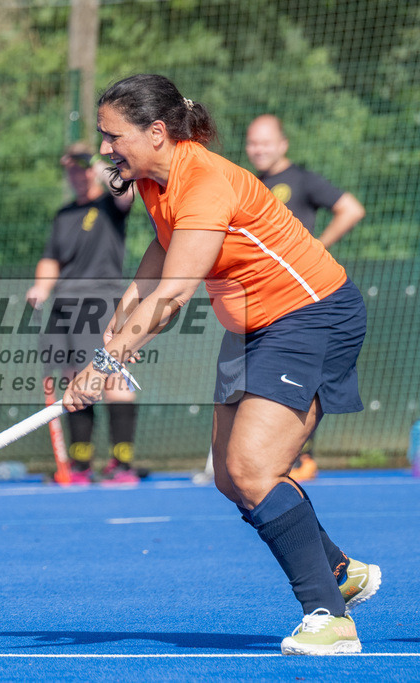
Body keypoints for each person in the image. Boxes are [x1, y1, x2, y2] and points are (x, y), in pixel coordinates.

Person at [63, 74, 380, 655]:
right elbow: (159, 257)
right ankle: (339, 572)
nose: (106, 148)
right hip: (253, 327)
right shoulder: (156, 182)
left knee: (255, 466)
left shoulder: (204, 180)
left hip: (310, 317)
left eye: (114, 137)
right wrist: (116, 324)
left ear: (156, 132)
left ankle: (330, 618)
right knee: (232, 479)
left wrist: (108, 359)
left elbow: (175, 295)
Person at [245, 114, 367, 481]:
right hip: (262, 300)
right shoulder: (249, 184)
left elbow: (352, 208)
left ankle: (300, 456)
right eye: (252, 143)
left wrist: (318, 246)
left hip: (302, 298)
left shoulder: (302, 179)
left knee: (300, 376)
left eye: (266, 142)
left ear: (283, 144)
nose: (259, 149)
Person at [27, 142, 139, 484]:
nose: (77, 174)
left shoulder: (109, 205)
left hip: (100, 301)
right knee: (72, 378)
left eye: (82, 167)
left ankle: (122, 462)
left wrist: (95, 159)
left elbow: (126, 194)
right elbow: (51, 258)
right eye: (71, 169)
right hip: (64, 303)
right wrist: (41, 287)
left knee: (109, 376)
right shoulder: (64, 215)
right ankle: (80, 463)